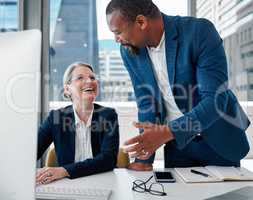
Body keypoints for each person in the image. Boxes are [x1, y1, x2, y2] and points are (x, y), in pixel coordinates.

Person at [106, 0, 250, 171]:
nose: (117, 39)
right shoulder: (130, 51)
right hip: (177, 147)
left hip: (218, 139)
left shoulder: (199, 32)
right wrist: (144, 159)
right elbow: (147, 103)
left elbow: (215, 100)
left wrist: (168, 132)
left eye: (118, 32)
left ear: (141, 22)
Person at [36, 62, 119, 184]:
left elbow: (108, 160)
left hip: (103, 182)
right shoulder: (56, 118)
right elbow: (32, 153)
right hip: (68, 185)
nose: (89, 81)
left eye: (92, 78)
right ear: (67, 89)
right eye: (80, 78)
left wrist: (64, 170)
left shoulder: (108, 116)